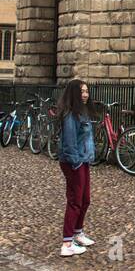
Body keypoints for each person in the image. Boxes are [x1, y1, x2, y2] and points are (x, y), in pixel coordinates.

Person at [56, 78, 95, 257]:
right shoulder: (70, 114)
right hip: (74, 161)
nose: (85, 94)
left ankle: (78, 233)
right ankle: (67, 243)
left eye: (86, 91)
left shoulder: (82, 112)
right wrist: (76, 163)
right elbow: (70, 143)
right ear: (74, 94)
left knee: (85, 199)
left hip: (83, 159)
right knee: (75, 201)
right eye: (82, 91)